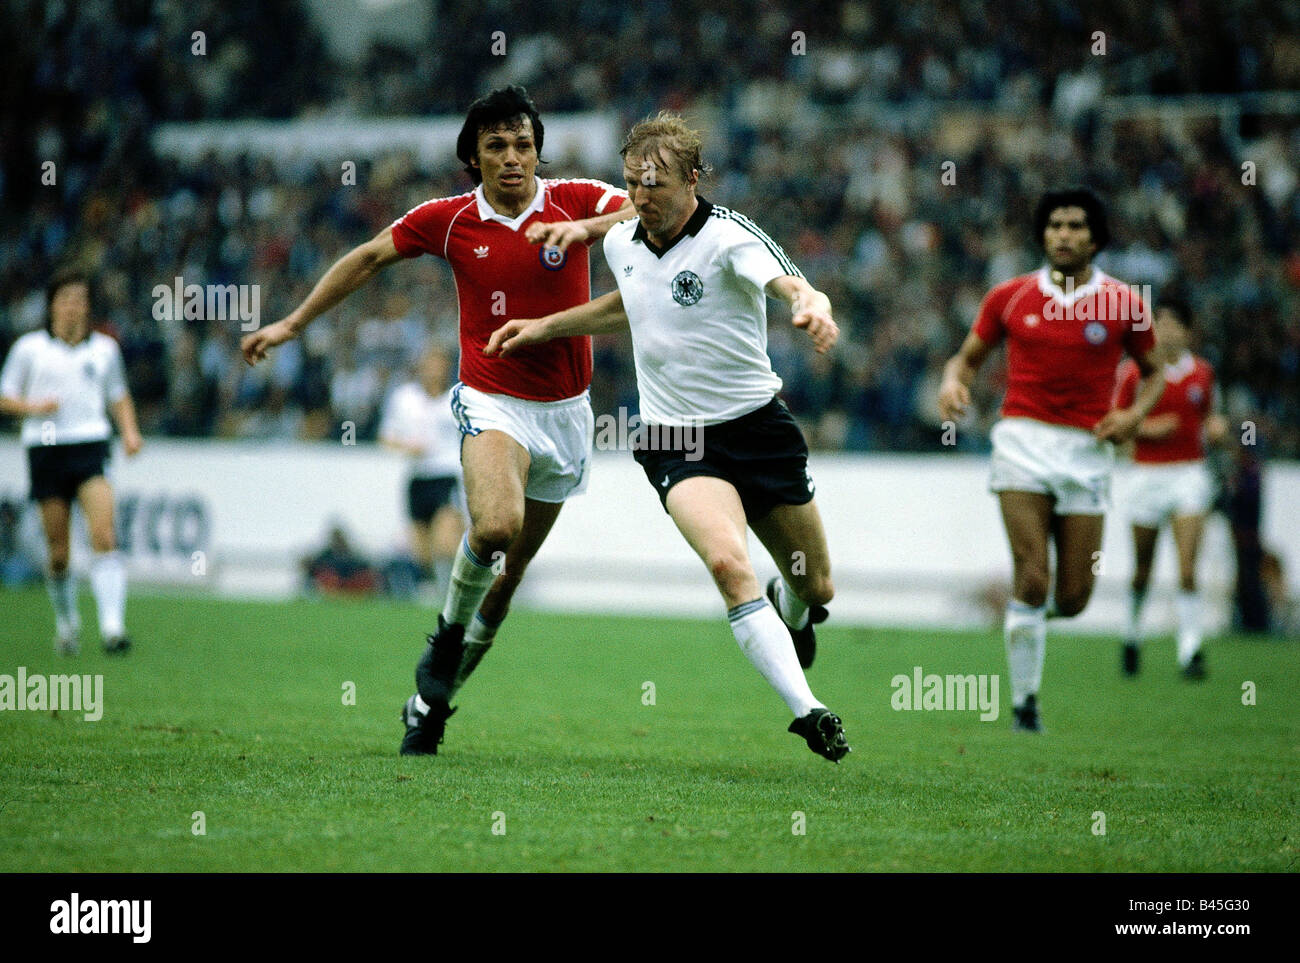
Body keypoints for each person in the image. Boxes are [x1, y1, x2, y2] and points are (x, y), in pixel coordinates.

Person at [240, 86, 633, 756]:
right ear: (473, 157)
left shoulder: (577, 199)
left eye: (524, 144)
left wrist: (590, 230)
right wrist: (293, 323)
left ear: (538, 150)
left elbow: (646, 209)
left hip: (568, 414)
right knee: (497, 526)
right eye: (496, 146)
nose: (513, 157)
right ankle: (447, 633)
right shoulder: (448, 220)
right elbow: (369, 256)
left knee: (506, 583)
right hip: (492, 399)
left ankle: (429, 705)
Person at [487, 113, 850, 762]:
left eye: (654, 184)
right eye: (631, 183)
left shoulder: (730, 238)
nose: (640, 197)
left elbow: (792, 284)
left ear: (693, 179)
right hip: (677, 439)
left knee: (816, 586)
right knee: (728, 563)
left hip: (758, 430)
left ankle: (790, 608)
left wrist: (810, 306)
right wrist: (544, 327)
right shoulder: (622, 240)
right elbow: (633, 303)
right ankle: (809, 710)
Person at [937, 188, 1163, 732]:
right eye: (1055, 224)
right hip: (1022, 443)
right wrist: (951, 383)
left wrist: (1133, 416)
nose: (1063, 234)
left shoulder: (1124, 303)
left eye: (1076, 225)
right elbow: (965, 360)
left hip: (1088, 451)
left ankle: (1021, 616)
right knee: (1034, 576)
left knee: (1075, 597)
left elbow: (1155, 372)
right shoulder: (1010, 296)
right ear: (1042, 234)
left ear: (1095, 238)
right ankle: (1025, 705)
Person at [0, 267, 143, 655]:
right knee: (59, 552)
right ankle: (67, 623)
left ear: (88, 306)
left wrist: (130, 431)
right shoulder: (29, 349)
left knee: (104, 535)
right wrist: (34, 407)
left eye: (79, 300)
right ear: (51, 306)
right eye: (65, 299)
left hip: (90, 445)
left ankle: (113, 628)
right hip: (46, 449)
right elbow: (5, 396)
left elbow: (118, 394)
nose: (73, 307)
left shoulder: (104, 349)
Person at [1115, 299, 1226, 679]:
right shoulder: (1133, 373)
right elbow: (1114, 424)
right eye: (1160, 324)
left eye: (1174, 325)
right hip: (1145, 475)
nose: (1166, 332)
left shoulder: (1203, 373)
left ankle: (1189, 649)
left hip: (1188, 474)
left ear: (1188, 332)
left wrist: (1217, 429)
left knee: (1187, 567)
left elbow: (1210, 417)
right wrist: (1148, 429)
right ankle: (1131, 635)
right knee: (1142, 569)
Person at [378, 344, 465, 591]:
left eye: (438, 364)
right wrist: (408, 446)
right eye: (429, 363)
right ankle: (432, 586)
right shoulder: (404, 398)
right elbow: (386, 436)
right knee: (421, 549)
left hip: (446, 475)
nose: (433, 370)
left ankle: (457, 587)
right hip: (418, 477)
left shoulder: (456, 399)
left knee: (446, 542)